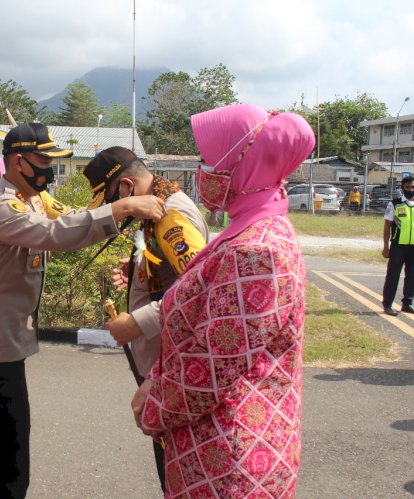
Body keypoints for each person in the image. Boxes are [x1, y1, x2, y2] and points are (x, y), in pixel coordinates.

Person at [0, 123, 165, 498]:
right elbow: (57, 233)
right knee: (5, 427)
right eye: (43, 160)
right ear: (18, 162)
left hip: (2, 336)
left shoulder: (34, 198)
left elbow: (72, 216)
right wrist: (124, 205)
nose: (49, 168)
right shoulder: (1, 207)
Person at [131, 104, 315, 497]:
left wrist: (155, 404)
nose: (203, 171)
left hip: (229, 460)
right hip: (222, 447)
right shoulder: (249, 229)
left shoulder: (257, 252)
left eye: (208, 160)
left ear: (242, 163)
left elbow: (213, 366)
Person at [83, 146, 209, 493]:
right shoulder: (157, 204)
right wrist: (139, 268)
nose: (118, 212)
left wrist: (137, 322)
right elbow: (172, 270)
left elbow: (199, 291)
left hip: (170, 363)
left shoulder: (169, 214)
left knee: (175, 469)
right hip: (161, 361)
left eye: (113, 201)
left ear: (125, 187)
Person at [381, 176, 414, 316]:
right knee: (393, 276)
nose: (411, 190)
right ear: (402, 188)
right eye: (408, 187)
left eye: (413, 187)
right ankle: (387, 304)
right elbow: (387, 226)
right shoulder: (394, 204)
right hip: (398, 247)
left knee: (412, 276)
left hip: (413, 247)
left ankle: (407, 303)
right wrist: (386, 246)